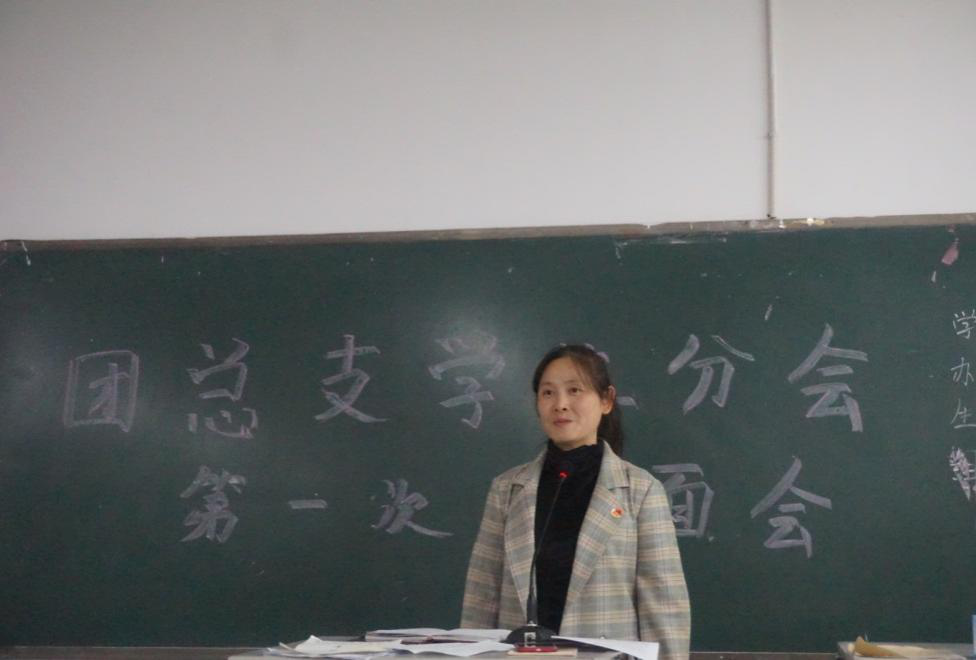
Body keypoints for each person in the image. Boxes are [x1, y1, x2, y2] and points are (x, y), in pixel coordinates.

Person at [460, 344, 690, 660]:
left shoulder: (641, 490)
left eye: (574, 390)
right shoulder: (507, 489)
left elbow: (663, 605)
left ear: (606, 400)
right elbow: (481, 597)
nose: (561, 404)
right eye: (548, 393)